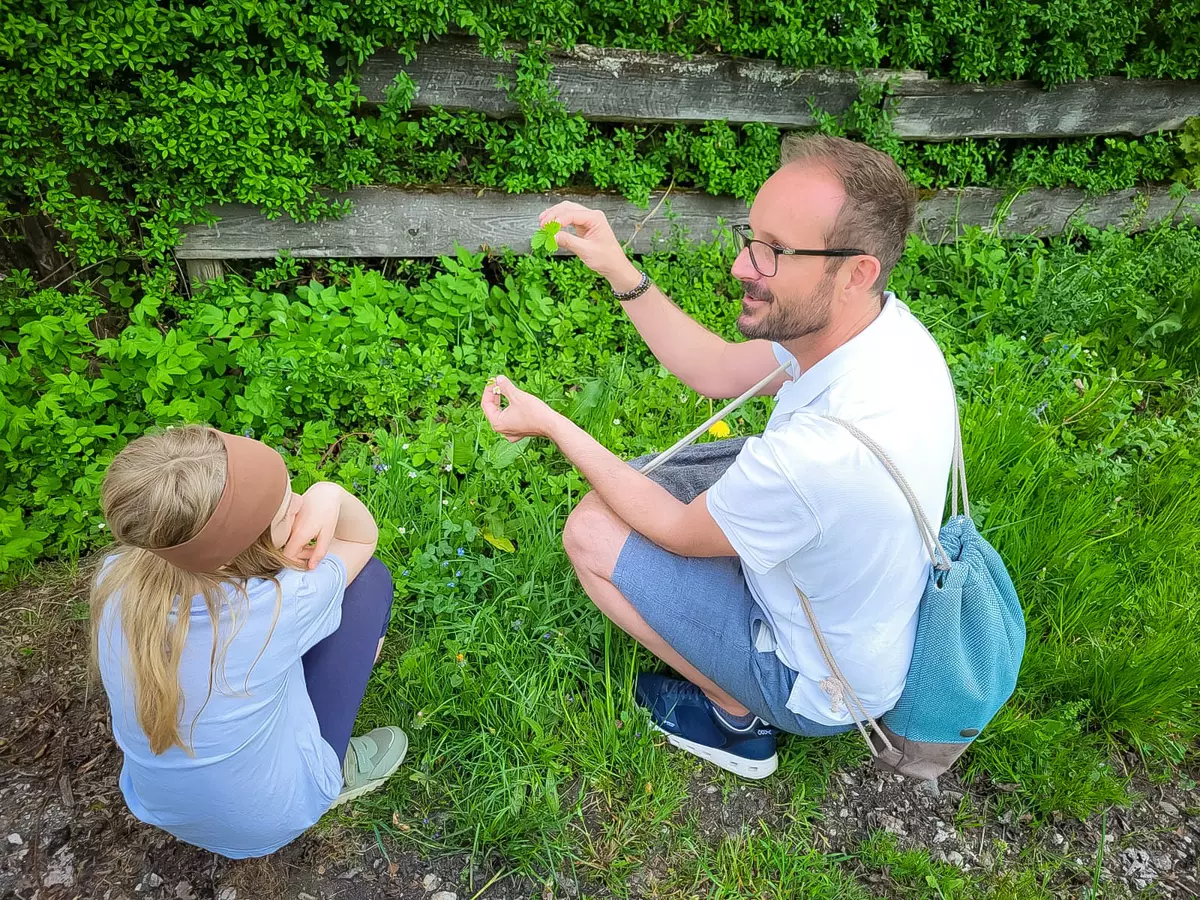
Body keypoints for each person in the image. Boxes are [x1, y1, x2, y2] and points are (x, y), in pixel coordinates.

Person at [481, 134, 956, 779]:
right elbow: (717, 368)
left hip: (816, 681)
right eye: (750, 238)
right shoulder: (877, 330)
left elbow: (678, 531)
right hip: (856, 604)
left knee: (593, 527)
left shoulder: (823, 454)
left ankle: (736, 716)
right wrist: (620, 268)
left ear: (857, 271)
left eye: (777, 252)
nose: (741, 266)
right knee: (648, 480)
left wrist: (555, 426)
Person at [90, 425, 408, 858]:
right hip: (269, 819)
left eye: (291, 492)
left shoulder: (116, 579)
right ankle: (333, 769)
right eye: (284, 514)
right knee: (369, 583)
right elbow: (360, 539)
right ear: (236, 552)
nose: (299, 507)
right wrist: (329, 492)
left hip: (157, 803)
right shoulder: (282, 602)